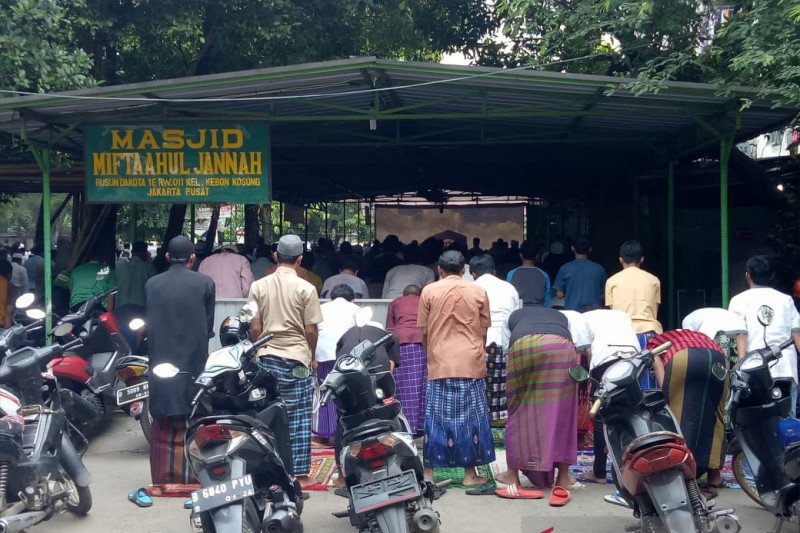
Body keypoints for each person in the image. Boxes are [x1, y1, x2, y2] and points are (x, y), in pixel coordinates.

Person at [248, 234, 323, 486]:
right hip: (297, 359)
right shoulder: (307, 288)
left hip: (267, 357)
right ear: (300, 259)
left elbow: (254, 326)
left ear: (275, 256)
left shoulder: (258, 286)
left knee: (268, 414)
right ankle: (299, 472)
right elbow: (311, 330)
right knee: (299, 414)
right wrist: (311, 356)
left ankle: (271, 468)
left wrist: (258, 350)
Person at [418, 250, 495, 492]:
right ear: (464, 270)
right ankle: (470, 474)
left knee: (436, 418)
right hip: (470, 360)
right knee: (472, 419)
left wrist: (431, 354)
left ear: (440, 269)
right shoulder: (478, 291)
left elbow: (425, 331)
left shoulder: (429, 291)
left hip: (440, 360)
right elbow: (484, 331)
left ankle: (428, 473)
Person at [144, 235, 215, 494]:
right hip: (194, 359)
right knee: (194, 414)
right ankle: (195, 475)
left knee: (163, 417)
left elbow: (150, 318)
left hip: (161, 358)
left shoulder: (152, 284)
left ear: (166, 256)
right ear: (192, 257)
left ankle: (163, 479)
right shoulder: (205, 282)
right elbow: (208, 327)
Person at [494, 306, 577, 505]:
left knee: (519, 409)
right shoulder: (562, 316)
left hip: (524, 345)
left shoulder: (512, 316)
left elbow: (506, 347)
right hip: (561, 346)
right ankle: (563, 476)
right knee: (564, 410)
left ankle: (512, 474)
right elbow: (576, 343)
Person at [645, 329, 728, 495]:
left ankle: (681, 471)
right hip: (718, 358)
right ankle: (714, 475)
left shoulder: (653, 343)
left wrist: (665, 394)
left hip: (683, 356)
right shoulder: (700, 335)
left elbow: (657, 364)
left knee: (675, 414)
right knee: (715, 413)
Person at [728, 255, 800, 416]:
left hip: (754, 371)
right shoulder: (786, 300)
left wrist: (740, 363)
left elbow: (741, 333)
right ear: (771, 276)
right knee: (787, 420)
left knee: (755, 418)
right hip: (785, 370)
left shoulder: (738, 300)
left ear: (748, 275)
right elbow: (797, 334)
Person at [579, 308, 640, 485]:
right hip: (633, 358)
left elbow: (588, 352)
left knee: (601, 416)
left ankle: (599, 473)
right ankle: (631, 469)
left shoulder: (583, 318)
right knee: (630, 413)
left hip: (605, 358)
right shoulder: (622, 315)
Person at [470, 253, 521, 425]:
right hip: (504, 342)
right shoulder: (509, 288)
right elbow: (515, 317)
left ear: (473, 273)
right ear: (493, 271)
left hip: (478, 342)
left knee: (478, 385)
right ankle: (501, 421)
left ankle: (480, 420)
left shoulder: (471, 287)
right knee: (503, 385)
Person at [314, 284, 361, 442]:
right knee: (346, 392)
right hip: (345, 356)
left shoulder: (322, 307)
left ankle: (324, 434)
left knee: (325, 391)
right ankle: (344, 433)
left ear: (331, 297)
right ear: (352, 298)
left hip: (323, 355)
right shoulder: (355, 309)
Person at [385, 284, 427, 435]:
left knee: (402, 385)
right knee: (422, 385)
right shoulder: (424, 300)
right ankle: (421, 426)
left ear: (404, 294)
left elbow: (389, 328)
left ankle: (404, 426)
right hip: (421, 343)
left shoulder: (395, 302)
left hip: (400, 343)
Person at [605, 240, 662, 346]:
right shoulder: (654, 280)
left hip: (621, 333)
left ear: (620, 260)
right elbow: (654, 312)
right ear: (642, 259)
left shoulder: (612, 281)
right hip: (648, 332)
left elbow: (613, 312)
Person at [553, 237, 607, 312]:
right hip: (594, 312)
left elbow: (559, 295)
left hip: (572, 311)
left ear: (572, 248)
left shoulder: (565, 268)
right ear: (590, 249)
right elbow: (604, 295)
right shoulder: (599, 269)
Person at [682, 307, 747, 361]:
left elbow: (691, 344)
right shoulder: (739, 320)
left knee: (706, 353)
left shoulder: (686, 321)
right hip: (713, 321)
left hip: (711, 322)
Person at [507, 241, 551, 307]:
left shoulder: (511, 274)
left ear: (520, 255)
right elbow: (547, 303)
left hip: (518, 314)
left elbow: (509, 299)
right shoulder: (544, 275)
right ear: (537, 256)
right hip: (539, 313)